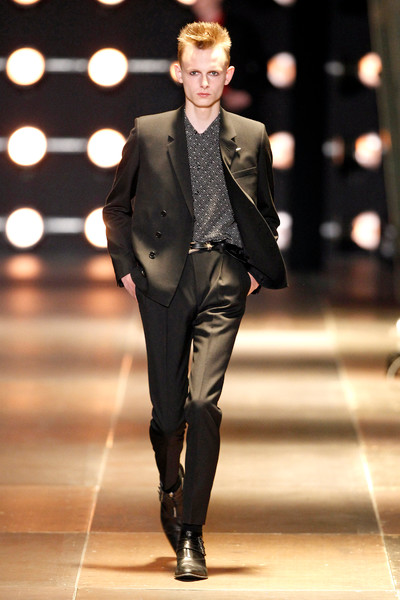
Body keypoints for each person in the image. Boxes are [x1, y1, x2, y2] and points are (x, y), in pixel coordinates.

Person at [103, 21, 287, 581]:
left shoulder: (252, 135)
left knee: (203, 403)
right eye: (194, 72)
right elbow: (116, 207)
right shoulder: (148, 131)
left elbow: (266, 213)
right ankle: (170, 483)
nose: (203, 82)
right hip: (163, 279)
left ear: (228, 75)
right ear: (178, 73)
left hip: (224, 276)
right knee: (167, 412)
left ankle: (191, 532)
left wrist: (251, 273)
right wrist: (127, 270)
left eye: (213, 73)